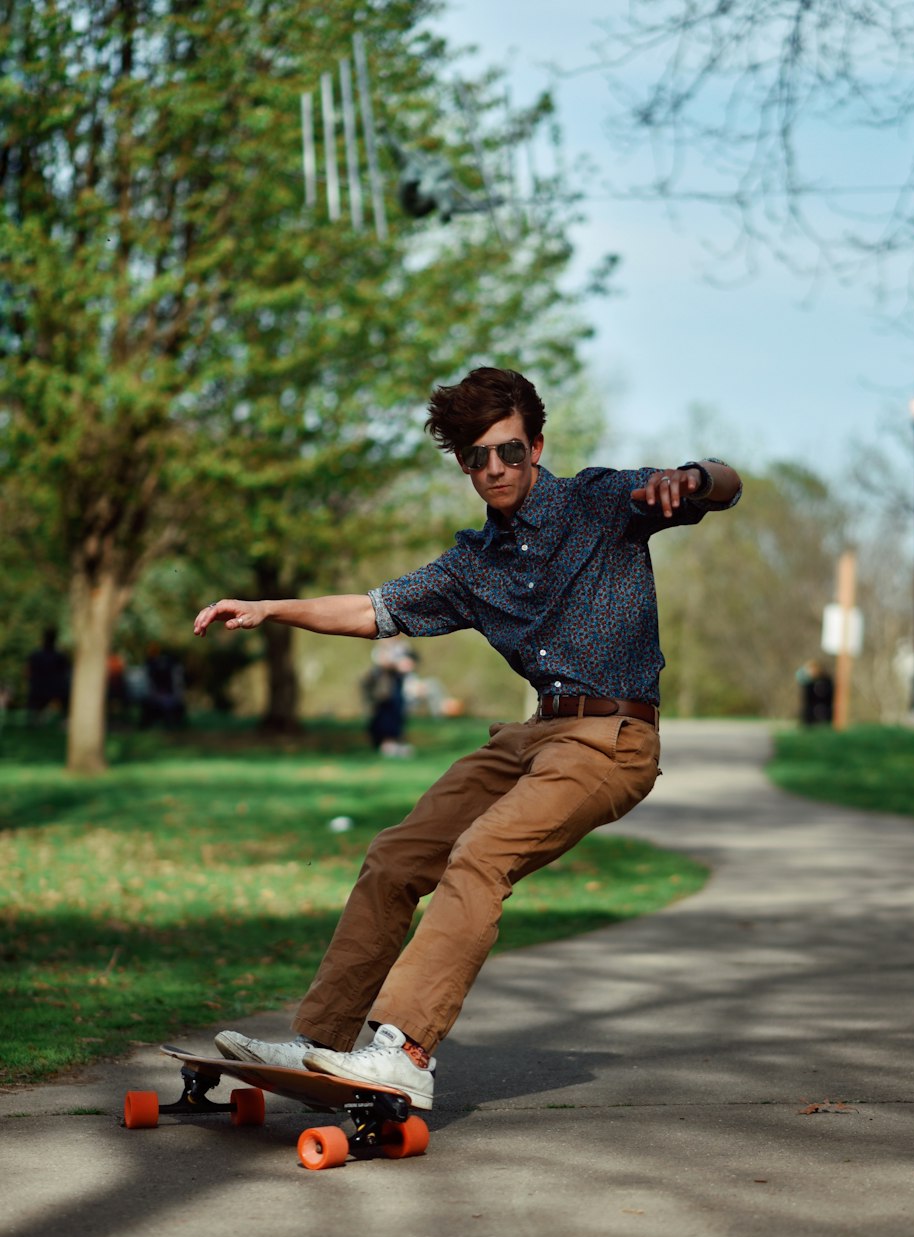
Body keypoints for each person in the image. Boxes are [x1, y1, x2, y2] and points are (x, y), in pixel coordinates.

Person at [192, 367, 743, 1110]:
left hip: (611, 739)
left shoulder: (603, 503)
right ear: (462, 463)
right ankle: (324, 1044)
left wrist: (695, 476)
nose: (494, 470)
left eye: (508, 452)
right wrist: (270, 608)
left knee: (482, 853)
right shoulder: (471, 565)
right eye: (477, 457)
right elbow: (370, 610)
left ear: (536, 446)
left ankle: (406, 1053)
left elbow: (725, 484)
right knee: (396, 855)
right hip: (536, 733)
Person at [27, 627, 70, 722]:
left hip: (39, 689)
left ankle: (37, 723)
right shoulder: (60, 657)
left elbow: (29, 673)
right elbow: (65, 673)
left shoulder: (35, 655)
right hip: (54, 689)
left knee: (36, 714)